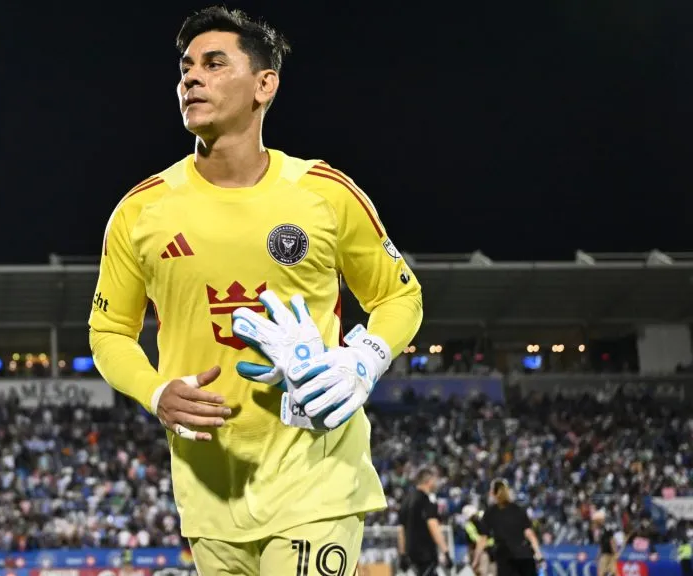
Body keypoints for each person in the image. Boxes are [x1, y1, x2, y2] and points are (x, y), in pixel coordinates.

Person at [89, 6, 423, 575]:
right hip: (208, 494)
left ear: (265, 85)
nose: (192, 78)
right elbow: (108, 331)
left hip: (316, 479)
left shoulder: (325, 193)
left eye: (214, 64)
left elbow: (400, 296)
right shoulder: (140, 211)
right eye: (186, 67)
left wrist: (364, 360)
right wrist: (155, 390)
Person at [473, 480, 543, 576]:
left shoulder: (490, 513)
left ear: (493, 493)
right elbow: (530, 534)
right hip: (525, 556)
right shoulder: (519, 509)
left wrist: (476, 560)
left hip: (506, 558)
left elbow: (483, 539)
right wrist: (538, 553)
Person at [397, 468, 452, 576]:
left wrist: (402, 554)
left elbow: (401, 530)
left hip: (411, 554)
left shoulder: (406, 501)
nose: (436, 483)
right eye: (435, 480)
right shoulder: (427, 500)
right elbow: (433, 525)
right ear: (429, 481)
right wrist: (445, 551)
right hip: (426, 553)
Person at [463, 504, 495, 576]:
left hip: (484, 552)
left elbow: (481, 541)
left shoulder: (479, 523)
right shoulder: (473, 523)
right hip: (487, 550)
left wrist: (475, 560)